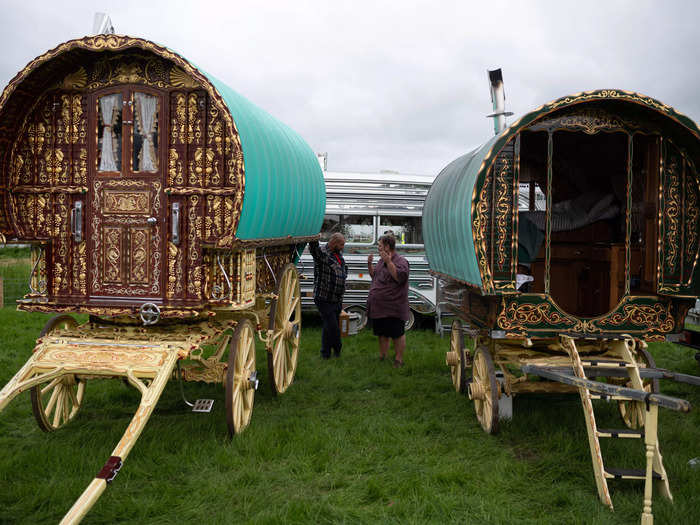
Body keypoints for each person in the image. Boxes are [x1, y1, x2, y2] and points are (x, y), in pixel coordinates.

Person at [366, 234, 410, 367]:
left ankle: (398, 360)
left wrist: (389, 262)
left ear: (387, 246)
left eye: (380, 245)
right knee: (382, 333)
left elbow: (399, 278)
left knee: (397, 334)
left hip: (394, 306)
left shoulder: (401, 261)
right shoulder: (380, 261)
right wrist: (369, 264)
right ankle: (383, 356)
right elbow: (375, 276)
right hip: (379, 306)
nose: (378, 248)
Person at [309, 233, 348, 359]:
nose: (343, 247)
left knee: (328, 327)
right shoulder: (322, 252)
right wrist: (314, 234)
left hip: (336, 299)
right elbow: (313, 249)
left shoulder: (338, 255)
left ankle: (325, 354)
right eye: (341, 244)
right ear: (334, 243)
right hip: (324, 298)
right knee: (334, 328)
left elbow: (341, 270)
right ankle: (337, 350)